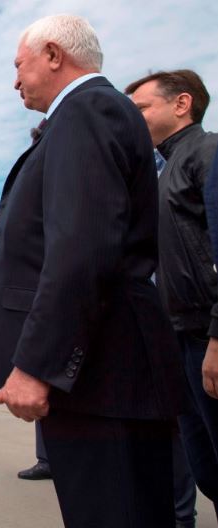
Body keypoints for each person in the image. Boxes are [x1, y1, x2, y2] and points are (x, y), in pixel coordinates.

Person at [0, 15, 185, 527]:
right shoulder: (88, 116)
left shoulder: (87, 112)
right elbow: (40, 242)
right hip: (103, 373)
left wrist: (39, 365)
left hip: (103, 378)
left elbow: (82, 250)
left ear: (52, 54)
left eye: (19, 66)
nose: (15, 81)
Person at [126, 69, 218, 523]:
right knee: (207, 469)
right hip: (181, 340)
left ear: (181, 104)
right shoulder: (163, 171)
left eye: (141, 107)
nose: (133, 117)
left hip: (208, 339)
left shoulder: (209, 153)